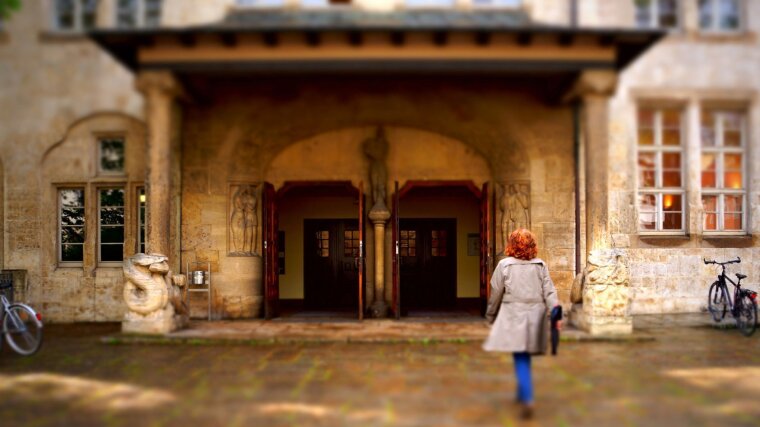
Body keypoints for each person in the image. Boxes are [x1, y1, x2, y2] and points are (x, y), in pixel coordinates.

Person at [483, 228, 561, 420]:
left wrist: (490, 316)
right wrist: (556, 315)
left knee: (520, 355)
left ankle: (527, 398)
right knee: (524, 353)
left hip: (514, 314)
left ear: (511, 244)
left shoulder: (504, 265)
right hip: (536, 314)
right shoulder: (541, 266)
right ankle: (521, 393)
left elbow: (495, 293)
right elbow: (550, 292)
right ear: (532, 246)